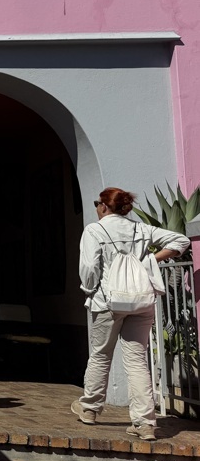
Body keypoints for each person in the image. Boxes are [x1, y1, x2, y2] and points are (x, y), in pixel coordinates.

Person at [72, 187, 188, 441]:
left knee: (101, 355)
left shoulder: (95, 230)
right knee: (137, 360)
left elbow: (90, 268)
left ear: (103, 206)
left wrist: (89, 290)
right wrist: (148, 262)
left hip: (106, 302)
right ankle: (145, 423)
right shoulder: (141, 229)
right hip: (140, 301)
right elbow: (181, 240)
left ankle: (90, 409)